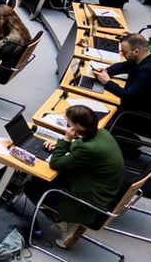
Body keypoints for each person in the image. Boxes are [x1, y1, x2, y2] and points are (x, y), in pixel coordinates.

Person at [22, 105, 125, 245]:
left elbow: (55, 164)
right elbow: (81, 145)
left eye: (68, 124)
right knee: (43, 178)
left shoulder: (88, 149)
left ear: (78, 127)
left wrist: (65, 141)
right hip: (102, 189)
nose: (67, 126)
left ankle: (64, 222)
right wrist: (59, 144)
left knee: (31, 187)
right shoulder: (102, 133)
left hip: (88, 200)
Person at [93, 33, 151, 117]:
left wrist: (107, 82)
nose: (122, 54)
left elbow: (128, 95)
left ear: (136, 51)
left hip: (146, 113)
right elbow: (125, 65)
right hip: (140, 100)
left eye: (124, 52)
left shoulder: (149, 71)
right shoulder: (149, 56)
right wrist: (107, 71)